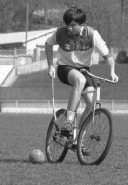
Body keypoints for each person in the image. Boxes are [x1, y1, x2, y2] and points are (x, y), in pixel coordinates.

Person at [45, 7, 119, 144]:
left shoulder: (92, 34)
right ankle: (68, 121)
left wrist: (112, 71)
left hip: (84, 69)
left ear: (82, 25)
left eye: (73, 25)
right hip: (65, 69)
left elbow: (107, 56)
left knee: (92, 105)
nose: (69, 28)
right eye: (67, 24)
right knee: (80, 80)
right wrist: (50, 65)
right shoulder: (60, 33)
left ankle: (78, 139)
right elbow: (48, 44)